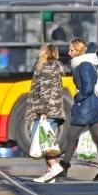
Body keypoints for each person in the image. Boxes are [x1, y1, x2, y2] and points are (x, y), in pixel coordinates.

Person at [57, 38, 98, 181]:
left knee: (71, 136)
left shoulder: (84, 65)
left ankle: (63, 169)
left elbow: (87, 88)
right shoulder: (86, 63)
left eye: (72, 50)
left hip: (86, 107)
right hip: (94, 106)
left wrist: (77, 97)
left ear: (79, 50)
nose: (69, 53)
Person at [29, 43, 67, 183]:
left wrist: (43, 112)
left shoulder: (47, 67)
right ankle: (50, 173)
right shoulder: (54, 66)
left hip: (47, 110)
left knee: (41, 140)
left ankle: (55, 166)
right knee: (47, 143)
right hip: (53, 110)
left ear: (44, 52)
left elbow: (45, 91)